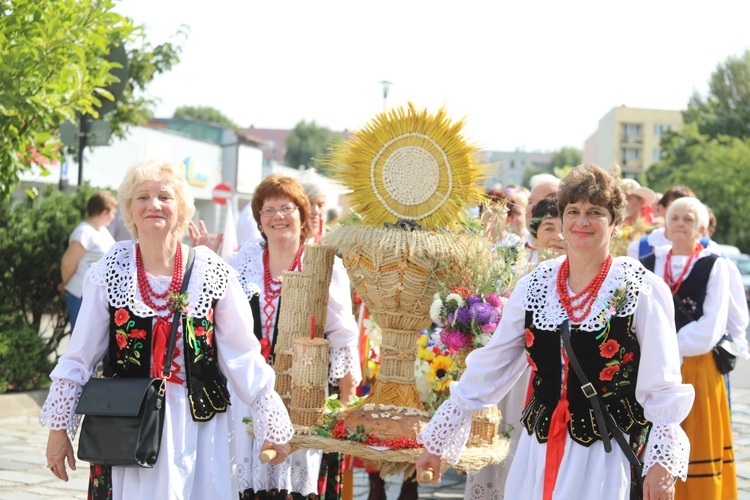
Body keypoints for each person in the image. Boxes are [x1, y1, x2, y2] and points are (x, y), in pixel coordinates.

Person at [416, 163, 694, 500]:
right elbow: (492, 364)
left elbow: (662, 384)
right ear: (561, 219)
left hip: (602, 453)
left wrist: (662, 466)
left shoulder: (640, 288)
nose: (582, 221)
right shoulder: (537, 283)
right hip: (537, 449)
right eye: (573, 211)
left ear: (616, 223)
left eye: (595, 212)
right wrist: (438, 440)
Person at [40, 160, 293, 499]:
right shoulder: (111, 270)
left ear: (183, 209)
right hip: (128, 428)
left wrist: (270, 415)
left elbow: (243, 354)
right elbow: (79, 356)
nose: (154, 204)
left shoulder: (211, 271)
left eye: (165, 196)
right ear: (129, 210)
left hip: (202, 431)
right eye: (142, 197)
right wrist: (58, 429)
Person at [192, 174, 361, 499]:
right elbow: (207, 317)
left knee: (294, 481)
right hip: (247, 393)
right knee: (245, 478)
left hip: (303, 394)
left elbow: (344, 337)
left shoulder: (324, 266)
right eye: (268, 210)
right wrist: (204, 261)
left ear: (302, 214)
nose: (277, 217)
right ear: (259, 220)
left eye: (286, 208)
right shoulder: (239, 263)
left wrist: (346, 401)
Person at [464, 196, 565, 499]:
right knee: (506, 434)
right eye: (550, 227)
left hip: (552, 374)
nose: (558, 236)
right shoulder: (518, 264)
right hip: (515, 371)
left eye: (563, 227)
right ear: (535, 231)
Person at [640, 197, 736, 499]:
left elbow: (711, 327)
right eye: (675, 218)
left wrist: (665, 346)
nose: (681, 223)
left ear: (703, 228)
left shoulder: (716, 266)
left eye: (689, 219)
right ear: (665, 227)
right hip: (649, 367)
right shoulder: (648, 263)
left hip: (696, 366)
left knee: (698, 437)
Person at [59, 190, 117, 329]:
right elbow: (67, 264)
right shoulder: (84, 232)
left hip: (96, 297)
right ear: (103, 213)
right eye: (112, 213)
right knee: (82, 342)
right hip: (81, 295)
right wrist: (65, 284)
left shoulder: (101, 230)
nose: (114, 217)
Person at [524, 174, 560, 249]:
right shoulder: (515, 249)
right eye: (530, 202)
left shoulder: (560, 251)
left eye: (540, 204)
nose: (529, 209)